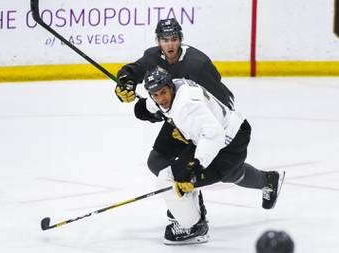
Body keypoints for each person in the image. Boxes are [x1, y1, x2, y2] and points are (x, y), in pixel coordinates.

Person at [114, 18, 237, 240]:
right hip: (178, 120)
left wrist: (197, 133)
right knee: (157, 160)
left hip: (203, 122)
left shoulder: (197, 64)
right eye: (164, 40)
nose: (169, 45)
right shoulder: (154, 57)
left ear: (180, 39)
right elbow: (134, 70)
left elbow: (222, 100)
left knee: (222, 168)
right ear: (158, 41)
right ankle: (188, 199)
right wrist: (125, 82)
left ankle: (193, 219)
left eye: (174, 39)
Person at [140, 66, 285, 245]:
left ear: (170, 86)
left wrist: (196, 166)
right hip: (223, 131)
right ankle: (268, 180)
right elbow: (155, 101)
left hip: (230, 141)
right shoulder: (175, 87)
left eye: (163, 92)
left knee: (174, 178)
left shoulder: (186, 106)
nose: (160, 99)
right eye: (155, 95)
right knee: (223, 174)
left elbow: (213, 134)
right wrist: (143, 107)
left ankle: (194, 227)